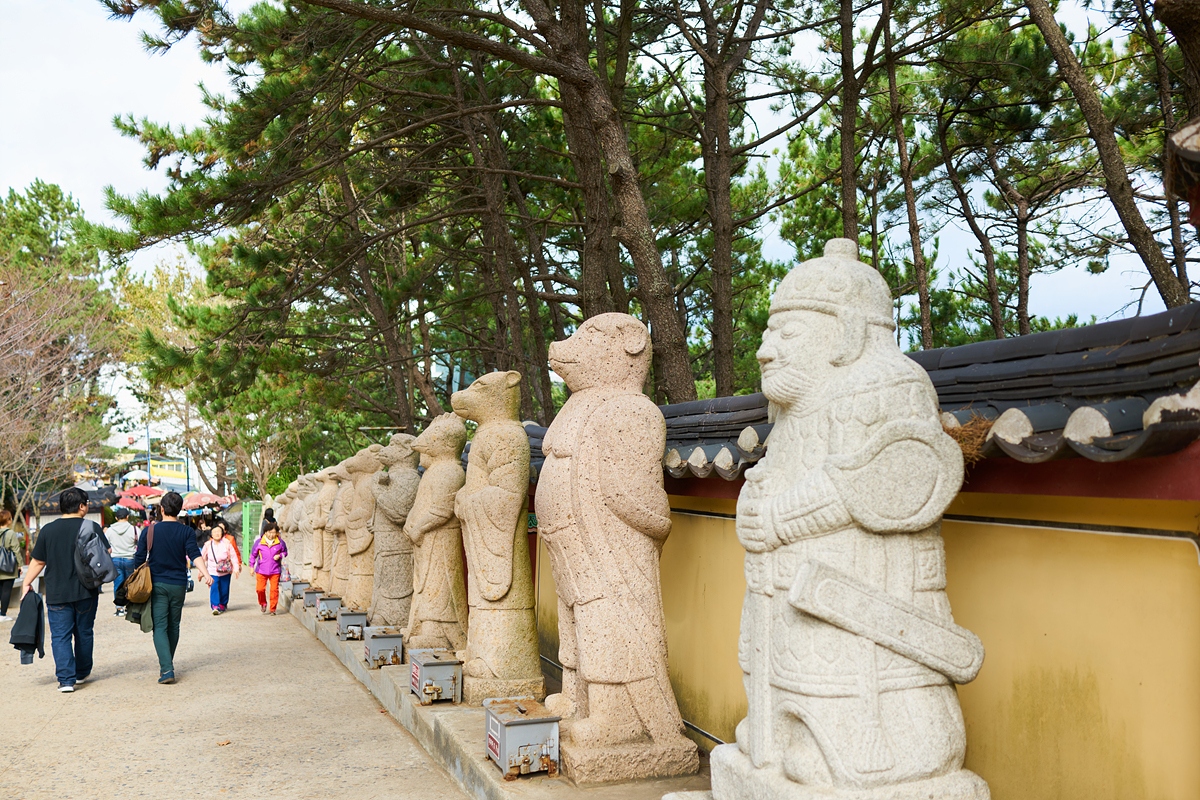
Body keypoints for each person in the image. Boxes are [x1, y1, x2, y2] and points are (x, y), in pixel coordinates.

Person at [20, 488, 110, 692]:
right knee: (84, 632)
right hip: (87, 590)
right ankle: (82, 673)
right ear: (81, 506)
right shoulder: (91, 526)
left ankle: (66, 680)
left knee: (60, 636)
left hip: (57, 592)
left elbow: (38, 561)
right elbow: (106, 552)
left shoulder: (48, 530)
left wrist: (27, 583)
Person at [133, 491, 211, 684]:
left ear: (161, 509)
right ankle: (166, 665)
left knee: (160, 626)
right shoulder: (186, 531)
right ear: (180, 509)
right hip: (178, 584)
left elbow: (139, 559)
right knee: (173, 625)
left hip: (156, 583)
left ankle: (167, 669)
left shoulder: (149, 531)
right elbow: (194, 554)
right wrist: (206, 573)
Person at [105, 507, 138, 617]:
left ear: (116, 518)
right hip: (130, 559)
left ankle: (119, 608)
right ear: (127, 517)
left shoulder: (110, 530)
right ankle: (130, 606)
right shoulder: (134, 529)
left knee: (118, 584)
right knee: (130, 584)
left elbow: (106, 544)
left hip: (116, 559)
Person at [202, 520, 240, 614]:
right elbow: (202, 558)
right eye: (214, 532)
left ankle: (223, 604)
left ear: (222, 533)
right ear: (211, 534)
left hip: (225, 571)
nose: (217, 534)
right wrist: (201, 573)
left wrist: (236, 568)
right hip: (212, 571)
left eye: (219, 531)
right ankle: (215, 606)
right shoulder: (207, 545)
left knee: (224, 589)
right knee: (214, 587)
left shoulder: (227, 543)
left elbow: (233, 556)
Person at [250, 519, 287, 615]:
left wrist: (279, 556)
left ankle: (272, 609)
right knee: (260, 589)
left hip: (275, 570)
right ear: (265, 532)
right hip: (261, 570)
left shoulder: (280, 542)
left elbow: (285, 552)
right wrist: (251, 567)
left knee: (274, 590)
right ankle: (263, 603)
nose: (271, 535)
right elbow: (253, 555)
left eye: (274, 533)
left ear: (277, 533)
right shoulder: (259, 542)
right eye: (269, 532)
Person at [0, 509, 22, 621]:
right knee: (6, 590)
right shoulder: (10, 533)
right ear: (8, 520)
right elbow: (16, 550)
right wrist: (20, 564)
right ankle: (2, 614)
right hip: (7, 565)